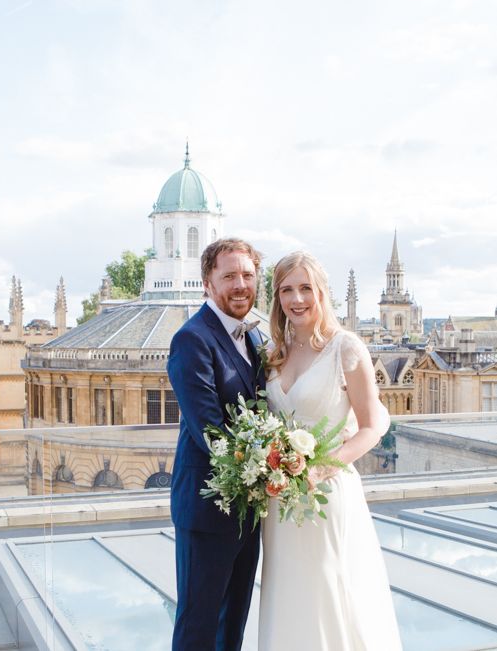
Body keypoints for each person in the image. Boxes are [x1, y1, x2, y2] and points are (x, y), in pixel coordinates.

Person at [258, 251, 402, 651]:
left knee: (332, 591)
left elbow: (373, 425)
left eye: (306, 288)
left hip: (326, 494)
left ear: (322, 292)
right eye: (287, 289)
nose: (297, 299)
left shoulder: (346, 348)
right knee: (289, 596)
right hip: (280, 503)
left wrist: (320, 469)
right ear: (277, 298)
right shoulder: (275, 352)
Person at [167, 238, 267, 651]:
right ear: (207, 283)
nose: (240, 284)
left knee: (233, 621)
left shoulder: (255, 339)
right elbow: (209, 429)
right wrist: (269, 463)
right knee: (199, 622)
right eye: (229, 276)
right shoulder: (192, 339)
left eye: (247, 275)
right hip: (207, 507)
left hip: (250, 507)